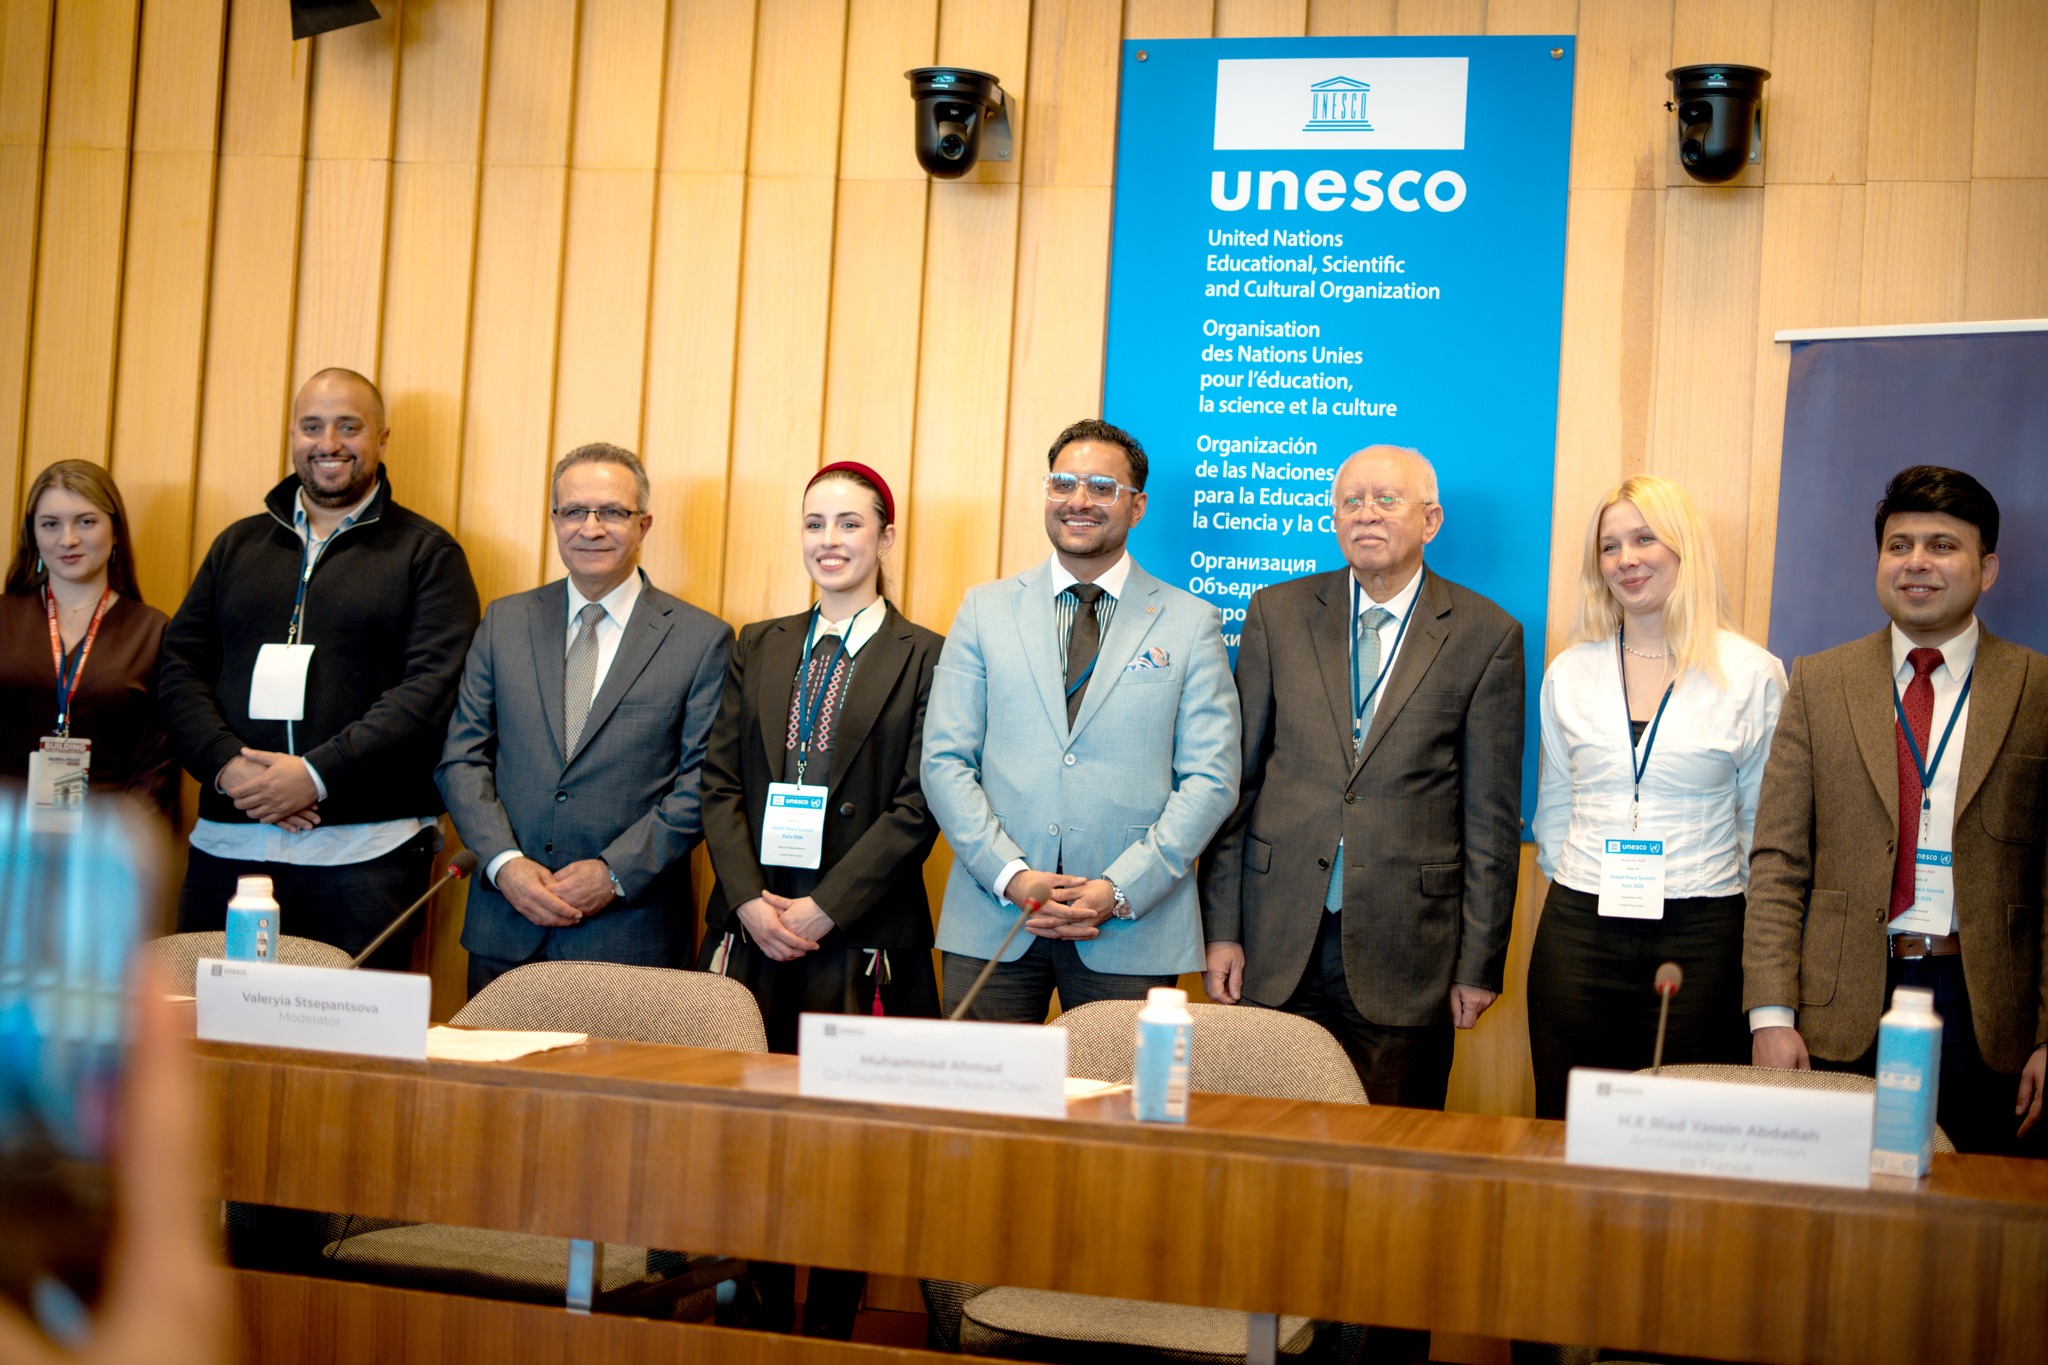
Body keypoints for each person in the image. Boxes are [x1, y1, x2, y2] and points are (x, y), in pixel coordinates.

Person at [1199, 444, 1524, 1112]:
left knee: (1392, 1146)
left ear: (1431, 520)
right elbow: (1238, 785)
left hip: (1408, 951)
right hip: (1276, 937)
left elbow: (1489, 820)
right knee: (1265, 1135)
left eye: (1386, 499)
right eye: (1351, 501)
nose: (1366, 513)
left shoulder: (1487, 634)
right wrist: (1221, 929)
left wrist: (1479, 963)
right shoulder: (1277, 612)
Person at [696, 461, 942, 1338]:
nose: (828, 541)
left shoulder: (928, 654)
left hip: (860, 938)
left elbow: (919, 802)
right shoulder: (758, 643)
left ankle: (832, 1331)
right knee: (752, 1142)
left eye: (848, 523)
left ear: (885, 535)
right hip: (756, 933)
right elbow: (719, 782)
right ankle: (755, 1325)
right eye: (814, 523)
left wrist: (826, 906)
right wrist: (747, 902)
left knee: (850, 1152)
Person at [1746, 465, 2047, 1154]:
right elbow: (1778, 861)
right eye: (1899, 545)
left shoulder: (2037, 689)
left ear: (1987, 568)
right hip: (1842, 1005)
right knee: (1835, 1205)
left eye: (1942, 545)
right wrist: (1770, 1013)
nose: (1916, 562)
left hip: (1987, 1013)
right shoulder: (1820, 681)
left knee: (1972, 1205)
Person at [159, 369, 480, 970]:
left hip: (365, 858)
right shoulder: (236, 546)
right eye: (312, 426)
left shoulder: (427, 553)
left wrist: (316, 773)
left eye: (348, 426)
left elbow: (431, 689)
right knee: (207, 1025)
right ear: (292, 435)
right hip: (230, 849)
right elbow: (179, 669)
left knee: (348, 1031)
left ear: (381, 438)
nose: (328, 442)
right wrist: (227, 767)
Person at [922, 418, 1239, 1021]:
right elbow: (944, 760)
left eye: (1102, 487)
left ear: (1137, 506)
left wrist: (1119, 889)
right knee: (980, 1085)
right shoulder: (984, 610)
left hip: (1131, 925)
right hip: (995, 915)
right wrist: (1011, 876)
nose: (1079, 501)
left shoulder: (1190, 622)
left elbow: (1210, 779)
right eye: (1063, 483)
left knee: (1116, 1085)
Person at [1526, 476, 1785, 1118]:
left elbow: (1761, 823)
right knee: (1570, 1124)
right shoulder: (1571, 672)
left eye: (1645, 539)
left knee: (1687, 1129)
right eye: (1610, 546)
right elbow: (1555, 809)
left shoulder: (1751, 673)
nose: (1626, 560)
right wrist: (1591, 882)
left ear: (1683, 547)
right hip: (1580, 932)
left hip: (1702, 935)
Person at [438, 442, 732, 997]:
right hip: (506, 925)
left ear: (644, 524)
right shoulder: (505, 622)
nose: (590, 528)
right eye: (574, 511)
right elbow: (462, 758)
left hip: (630, 936)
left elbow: (703, 781)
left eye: (612, 512)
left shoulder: (701, 639)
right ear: (555, 520)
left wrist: (615, 872)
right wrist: (504, 864)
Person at [0, 462, 175, 816]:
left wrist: (125, 834)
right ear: (33, 535)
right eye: (50, 524)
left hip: (107, 835)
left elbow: (159, 756)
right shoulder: (4, 618)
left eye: (85, 521)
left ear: (116, 531)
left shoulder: (152, 631)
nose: (68, 539)